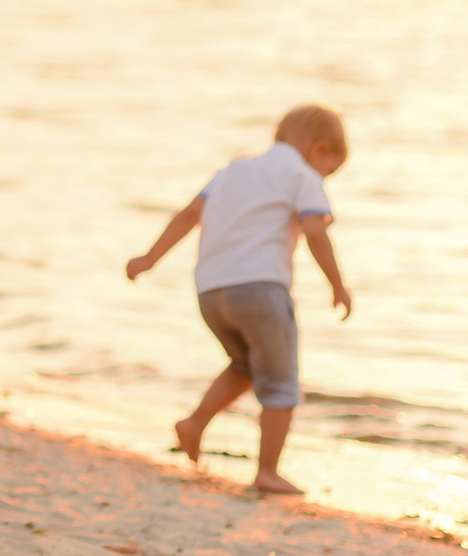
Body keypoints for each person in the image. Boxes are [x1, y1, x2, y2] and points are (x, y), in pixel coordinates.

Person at [125, 104, 354, 496]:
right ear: (319, 150)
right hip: (262, 289)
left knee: (245, 365)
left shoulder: (231, 171)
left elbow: (188, 215)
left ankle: (194, 423)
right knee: (281, 382)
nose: (324, 178)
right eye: (329, 171)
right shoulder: (302, 175)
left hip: (212, 292)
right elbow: (316, 233)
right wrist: (337, 284)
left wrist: (149, 258)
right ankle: (267, 471)